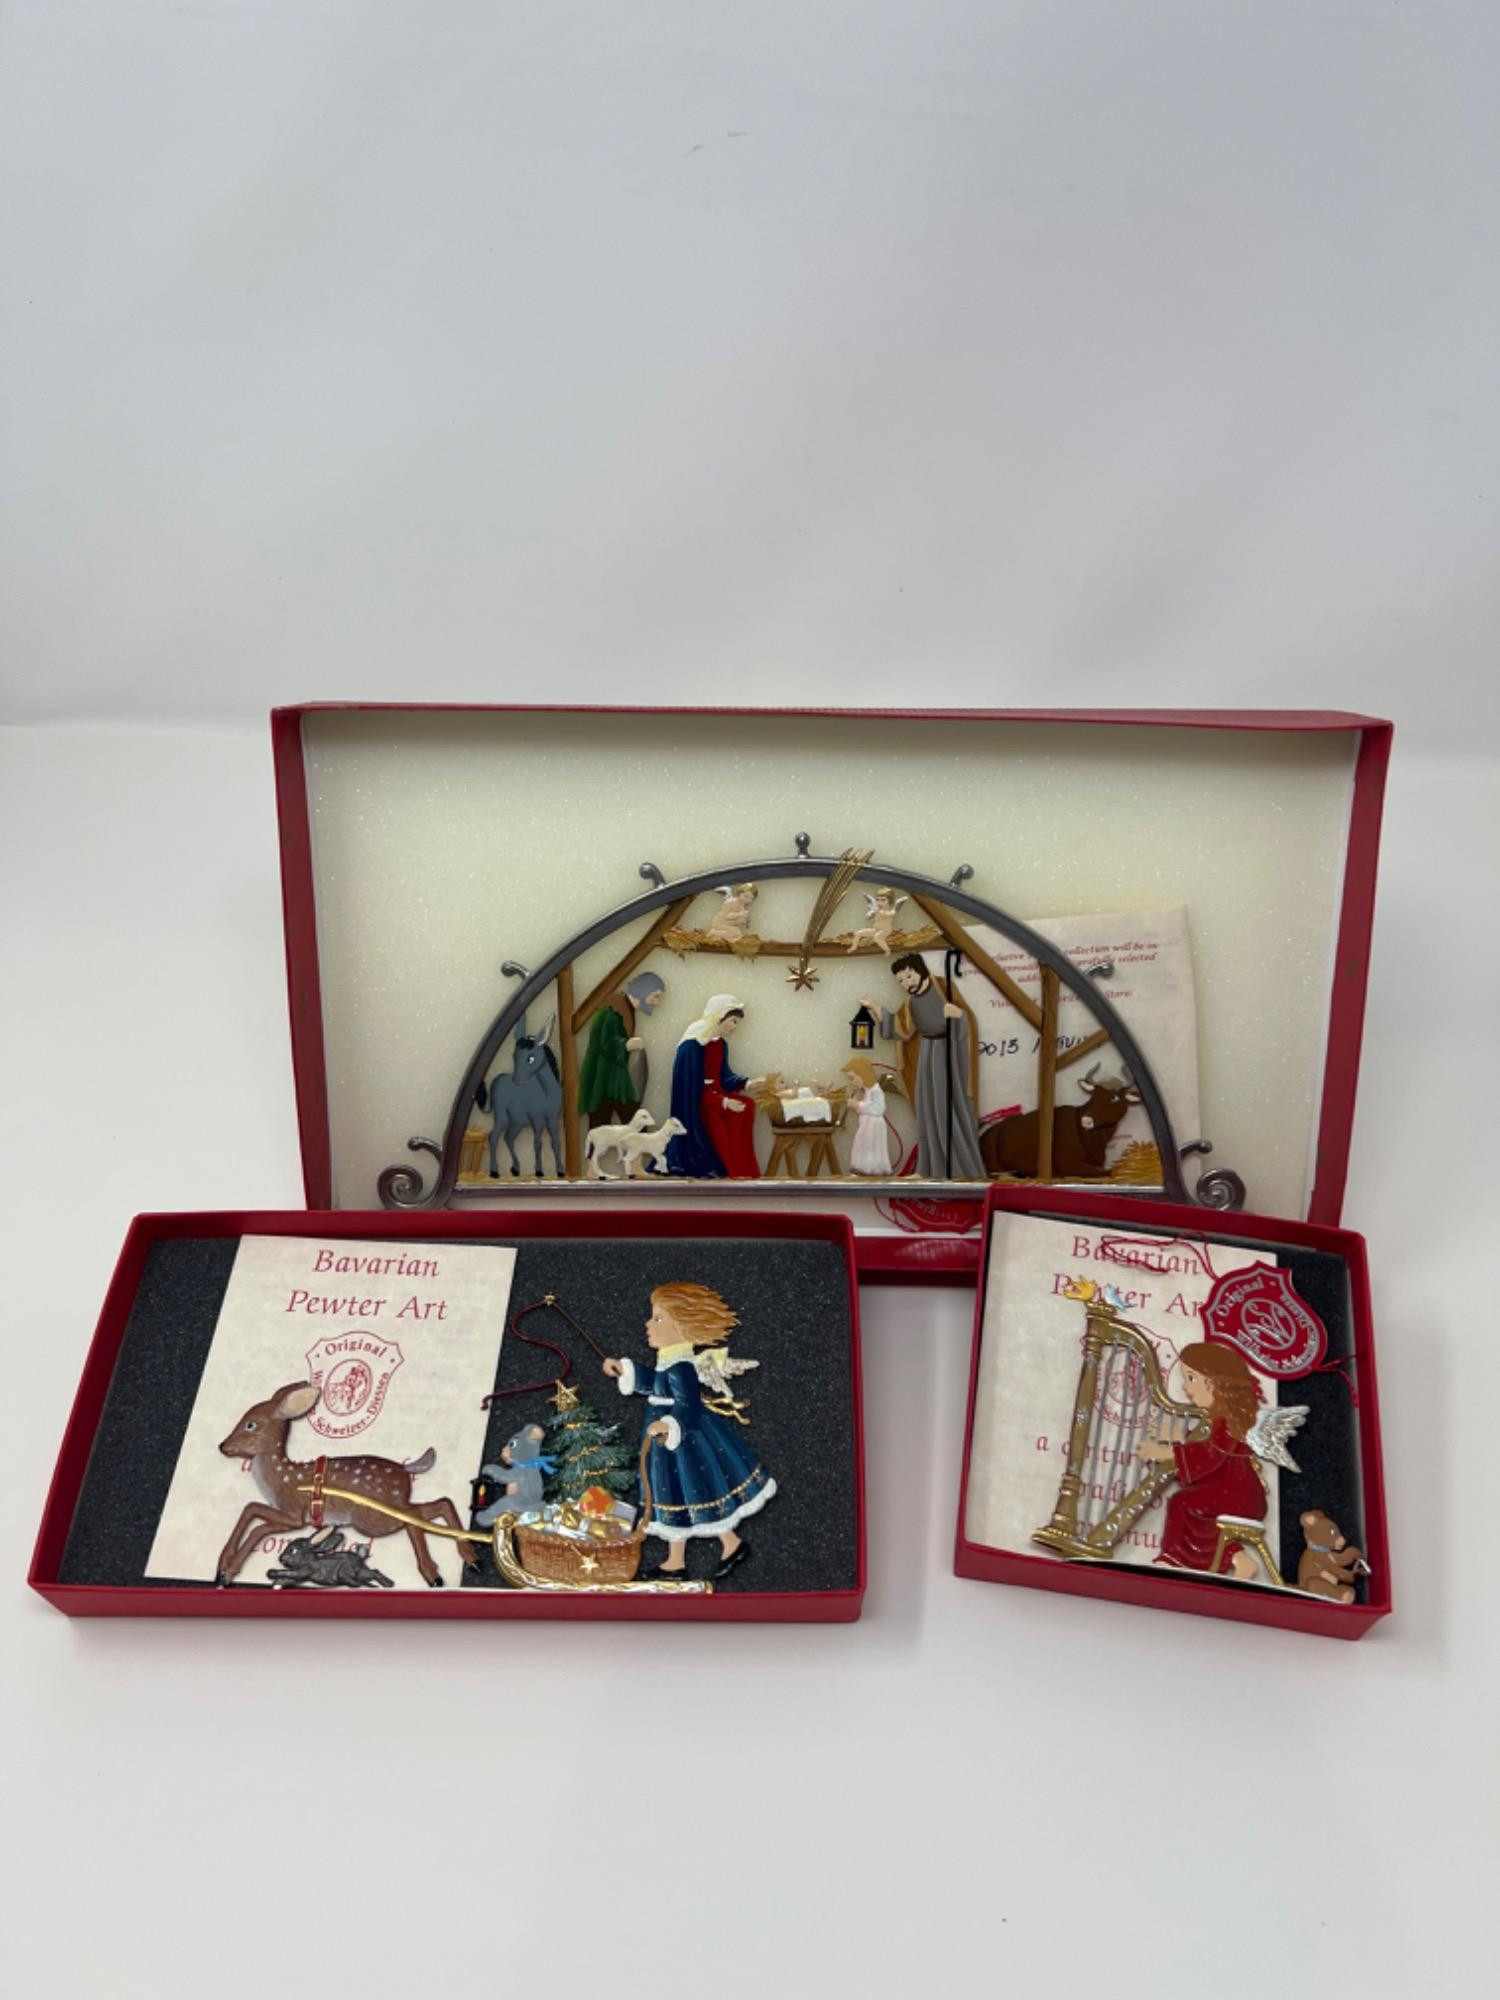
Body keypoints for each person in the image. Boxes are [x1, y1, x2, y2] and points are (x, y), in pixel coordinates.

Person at [602, 1282, 774, 1579]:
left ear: (681, 1327)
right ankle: (679, 1560)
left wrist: (669, 1425)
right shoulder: (669, 1361)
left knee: (694, 1488)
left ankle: (729, 1545)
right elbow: (655, 1384)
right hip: (665, 1440)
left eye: (657, 1318)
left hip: (685, 1440)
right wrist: (626, 1371)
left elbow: (688, 1404)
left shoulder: (682, 1367)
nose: (648, 1324)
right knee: (674, 1493)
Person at [1138, 1342, 1268, 1579]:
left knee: (1182, 1502)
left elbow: (1211, 1454)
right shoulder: (1222, 1418)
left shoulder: (1229, 1420)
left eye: (1191, 1378)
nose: (1185, 1387)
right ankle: (1240, 1560)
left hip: (1239, 1493)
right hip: (1231, 1489)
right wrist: (1180, 1436)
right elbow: (1209, 1446)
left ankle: (1171, 1560)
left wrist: (1165, 1452)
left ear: (1214, 1383)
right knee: (1200, 1511)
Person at [862, 953, 985, 1178]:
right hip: (926, 1054)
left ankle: (958, 1170)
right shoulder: (910, 1002)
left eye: (909, 976)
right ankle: (927, 1168)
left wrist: (958, 1015)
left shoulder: (943, 988)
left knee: (946, 1109)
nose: (906, 983)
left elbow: (967, 1021)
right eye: (901, 980)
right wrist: (875, 1007)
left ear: (921, 971)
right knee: (926, 1109)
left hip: (947, 1055)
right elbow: (901, 1029)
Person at [665, 994, 764, 1177]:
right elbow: (692, 1090)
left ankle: (740, 1168)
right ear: (719, 1018)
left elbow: (724, 1077)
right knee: (721, 1115)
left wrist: (748, 1083)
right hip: (698, 1107)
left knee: (747, 1105)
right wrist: (723, 1102)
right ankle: (720, 1165)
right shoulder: (692, 1046)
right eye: (733, 1021)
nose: (734, 1027)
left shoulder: (720, 1044)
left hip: (714, 1097)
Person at [577, 972, 665, 1129]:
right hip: (602, 1081)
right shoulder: (612, 1009)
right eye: (655, 996)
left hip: (616, 1079)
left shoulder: (624, 1008)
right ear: (644, 990)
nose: (657, 1002)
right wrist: (627, 1044)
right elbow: (606, 1043)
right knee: (602, 1129)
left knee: (632, 1125)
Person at [841, 1054, 894, 1175]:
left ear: (863, 1075)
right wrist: (858, 1105)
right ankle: (863, 1168)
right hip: (867, 1125)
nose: (852, 1082)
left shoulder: (876, 1090)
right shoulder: (869, 1091)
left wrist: (858, 1105)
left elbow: (879, 1108)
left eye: (852, 1078)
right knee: (864, 1145)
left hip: (873, 1126)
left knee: (871, 1147)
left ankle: (872, 1169)